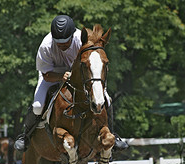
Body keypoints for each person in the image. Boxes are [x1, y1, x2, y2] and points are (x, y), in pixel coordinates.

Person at [14, 15, 128, 152]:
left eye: (65, 42)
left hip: (79, 74)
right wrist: (61, 76)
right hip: (52, 74)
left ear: (72, 36)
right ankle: (25, 136)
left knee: (105, 99)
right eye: (58, 42)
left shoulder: (82, 39)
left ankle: (113, 134)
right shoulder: (46, 45)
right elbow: (46, 75)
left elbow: (92, 62)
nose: (62, 45)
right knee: (38, 106)